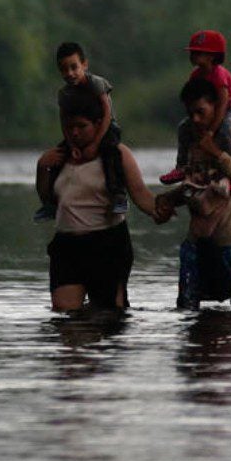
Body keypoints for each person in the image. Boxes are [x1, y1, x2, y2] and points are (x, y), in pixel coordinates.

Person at [36, 88, 168, 313]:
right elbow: (48, 199)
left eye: (82, 126)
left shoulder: (117, 155)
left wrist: (159, 210)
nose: (75, 133)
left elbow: (141, 195)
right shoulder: (58, 157)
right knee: (64, 312)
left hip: (107, 244)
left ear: (98, 124)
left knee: (108, 315)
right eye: (70, 127)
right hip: (67, 246)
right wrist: (42, 168)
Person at [157, 76, 231, 311]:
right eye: (190, 113)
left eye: (201, 112)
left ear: (218, 107)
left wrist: (217, 153)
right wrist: (168, 199)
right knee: (187, 310)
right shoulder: (189, 134)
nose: (195, 119)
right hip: (198, 239)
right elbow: (194, 183)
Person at [34, 41, 125, 222]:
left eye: (74, 67)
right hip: (78, 132)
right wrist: (71, 144)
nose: (70, 73)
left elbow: (107, 113)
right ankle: (50, 204)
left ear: (84, 65)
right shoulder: (64, 94)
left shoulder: (95, 84)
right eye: (64, 69)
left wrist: (95, 144)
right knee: (58, 157)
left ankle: (119, 196)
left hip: (106, 127)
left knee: (111, 153)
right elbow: (63, 120)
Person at [161, 29, 231, 184]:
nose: (192, 56)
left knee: (227, 130)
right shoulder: (196, 75)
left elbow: (222, 103)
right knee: (183, 128)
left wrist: (211, 131)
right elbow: (191, 99)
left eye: (197, 53)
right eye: (192, 53)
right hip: (206, 111)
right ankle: (181, 167)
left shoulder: (219, 74)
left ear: (211, 56)